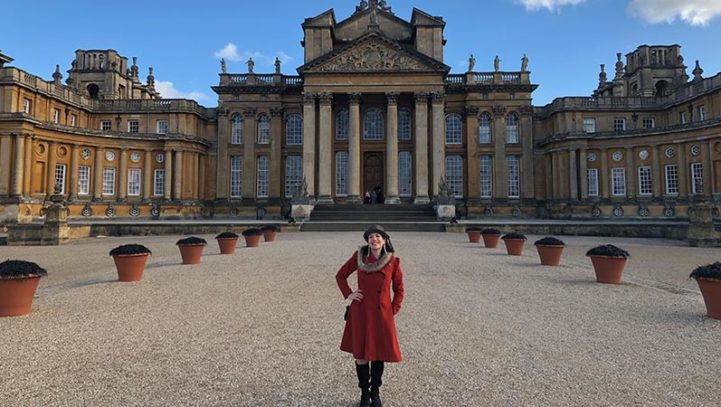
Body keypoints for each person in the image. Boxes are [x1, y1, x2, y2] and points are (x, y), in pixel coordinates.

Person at [336, 225, 404, 407]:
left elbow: (399, 289)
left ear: (384, 240)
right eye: (371, 237)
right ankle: (364, 394)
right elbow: (340, 275)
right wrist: (349, 293)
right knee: (361, 355)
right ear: (368, 241)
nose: (374, 239)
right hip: (361, 312)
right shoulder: (358, 257)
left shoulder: (393, 261)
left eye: (378, 236)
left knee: (379, 354)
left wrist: (392, 309)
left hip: (382, 314)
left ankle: (375, 392)